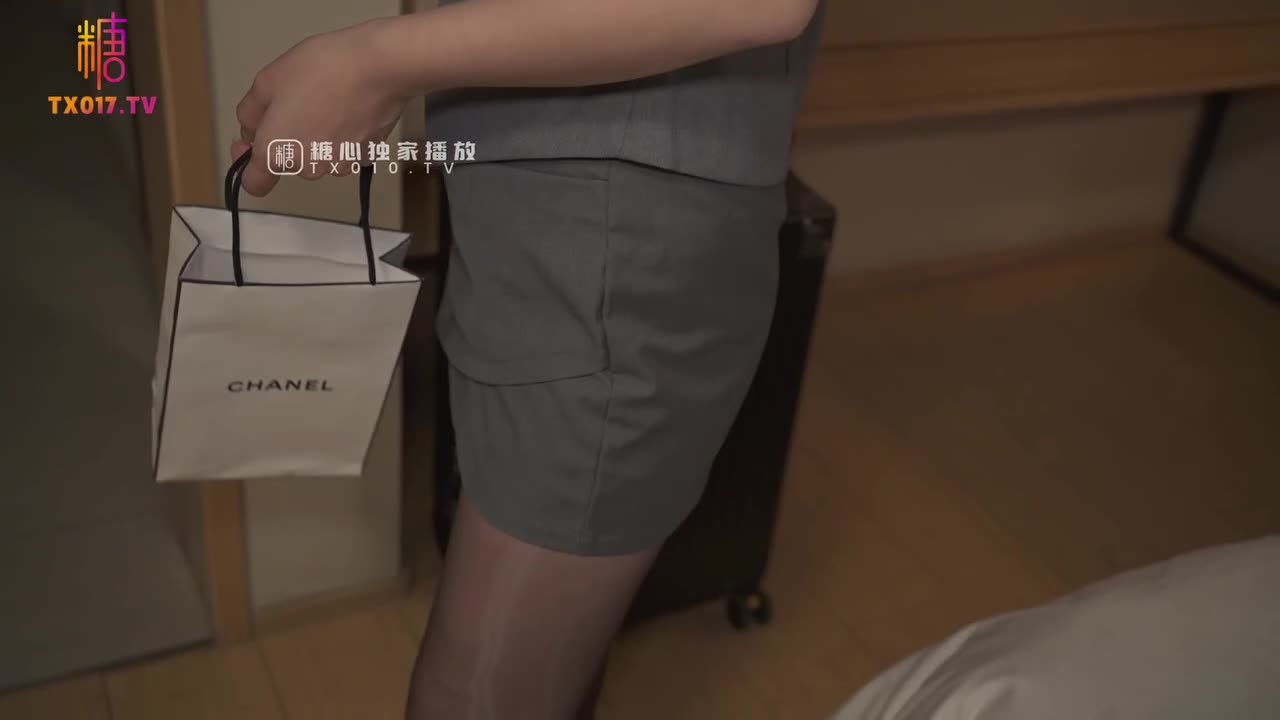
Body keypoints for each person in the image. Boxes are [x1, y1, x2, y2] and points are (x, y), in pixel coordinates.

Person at [232, 0, 827, 717]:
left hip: (606, 245)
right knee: (541, 669)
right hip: (550, 223)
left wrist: (375, 61)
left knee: (483, 694)